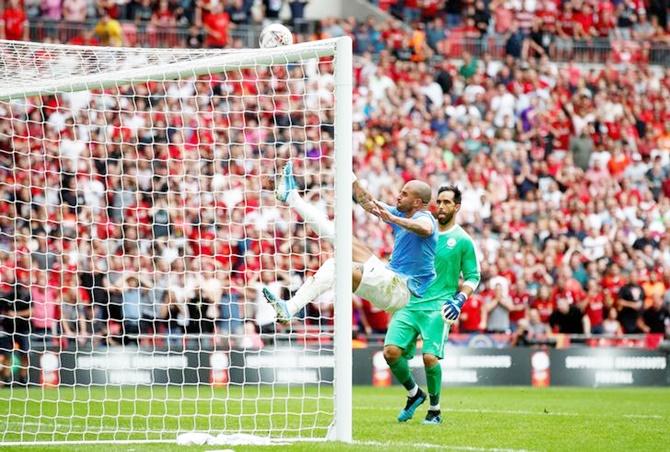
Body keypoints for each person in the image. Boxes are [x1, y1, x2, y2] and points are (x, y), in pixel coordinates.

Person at [262, 161, 438, 324]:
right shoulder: (401, 213)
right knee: (343, 239)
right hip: (391, 278)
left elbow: (425, 229)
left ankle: (290, 308)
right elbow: (367, 202)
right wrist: (351, 176)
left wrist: (393, 218)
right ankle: (292, 197)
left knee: (335, 266)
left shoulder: (425, 218)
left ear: (417, 202)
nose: (398, 196)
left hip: (401, 291)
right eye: (400, 192)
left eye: (404, 194)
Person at [384, 185, 480, 425]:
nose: (442, 206)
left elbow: (472, 276)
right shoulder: (422, 229)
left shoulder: (462, 241)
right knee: (391, 353)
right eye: (439, 201)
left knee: (429, 357)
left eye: (448, 202)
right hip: (410, 301)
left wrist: (460, 299)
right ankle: (414, 393)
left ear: (457, 207)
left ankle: (435, 409)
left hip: (439, 305)